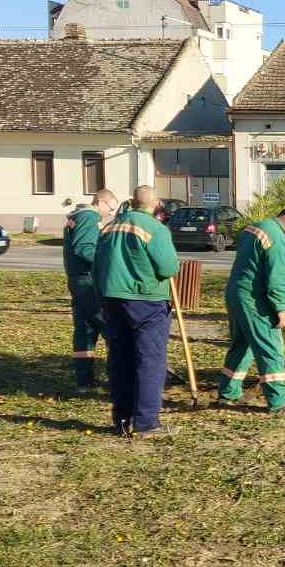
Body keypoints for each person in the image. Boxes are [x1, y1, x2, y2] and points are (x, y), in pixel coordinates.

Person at [94, 186, 180, 438]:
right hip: (147, 301)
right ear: (156, 204)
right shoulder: (155, 229)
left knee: (120, 359)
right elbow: (167, 267)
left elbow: (97, 266)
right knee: (149, 361)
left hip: (112, 300)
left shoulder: (109, 227)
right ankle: (145, 423)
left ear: (131, 202)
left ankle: (121, 420)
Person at [217, 208, 285, 414]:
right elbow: (277, 279)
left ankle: (228, 392)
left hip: (236, 293)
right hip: (255, 300)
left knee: (242, 345)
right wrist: (280, 309)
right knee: (271, 348)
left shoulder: (257, 227)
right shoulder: (277, 239)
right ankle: (278, 401)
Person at [62, 189, 119, 388]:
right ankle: (118, 377)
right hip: (87, 281)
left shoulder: (79, 216)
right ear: (100, 202)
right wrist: (107, 262)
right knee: (109, 326)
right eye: (110, 209)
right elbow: (84, 248)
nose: (110, 214)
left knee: (85, 330)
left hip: (78, 280)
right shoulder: (89, 217)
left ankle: (84, 381)